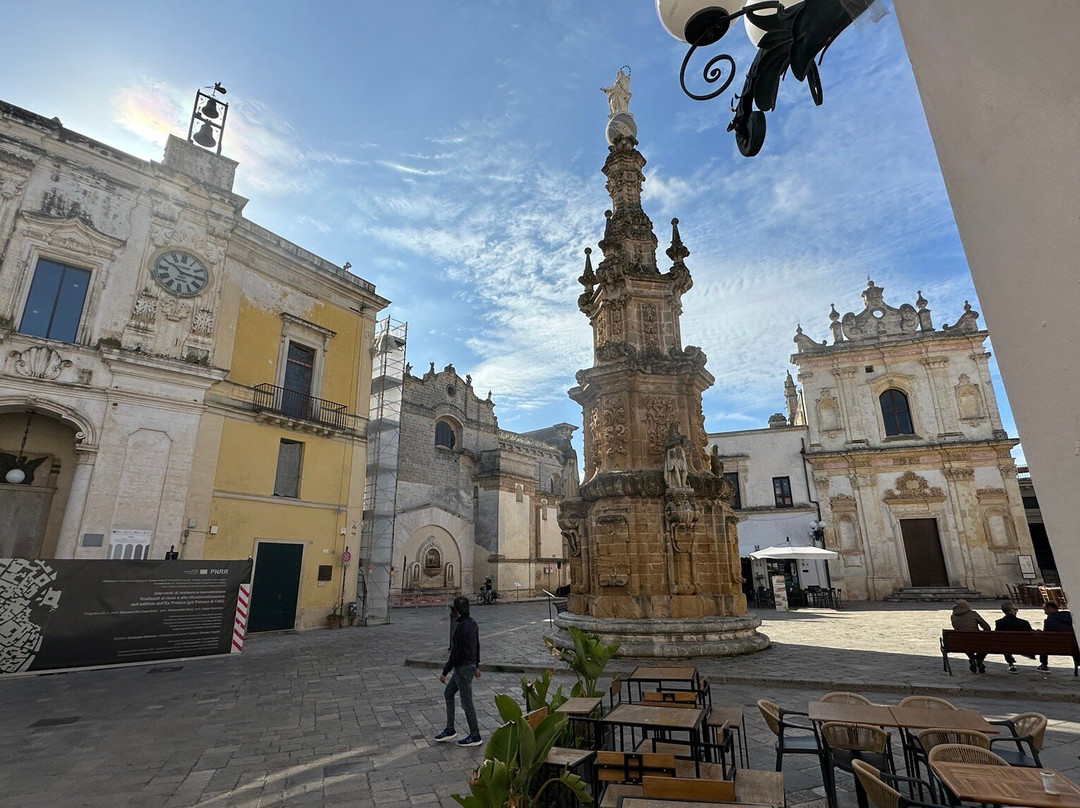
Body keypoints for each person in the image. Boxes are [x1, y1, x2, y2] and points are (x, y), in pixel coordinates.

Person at [434, 595, 483, 746]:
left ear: (456, 610)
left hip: (462, 668)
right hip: (467, 666)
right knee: (448, 693)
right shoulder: (472, 623)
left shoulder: (461, 627)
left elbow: (456, 652)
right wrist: (476, 665)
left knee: (467, 702)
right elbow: (477, 645)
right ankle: (450, 729)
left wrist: (444, 672)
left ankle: (475, 735)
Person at [951, 599, 991, 673]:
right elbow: (986, 627)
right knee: (986, 643)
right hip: (976, 640)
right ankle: (979, 659)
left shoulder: (953, 616)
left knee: (966, 641)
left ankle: (972, 658)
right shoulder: (973, 613)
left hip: (962, 642)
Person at [994, 602, 1033, 673]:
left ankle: (1011, 664)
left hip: (1007, 647)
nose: (1016, 611)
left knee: (1004, 642)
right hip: (1024, 646)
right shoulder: (1024, 623)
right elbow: (1031, 636)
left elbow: (997, 636)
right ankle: (1043, 664)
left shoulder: (999, 622)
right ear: (1011, 610)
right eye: (1016, 609)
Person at [1038, 601, 1077, 672]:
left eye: (1045, 610)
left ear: (1050, 608)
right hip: (1074, 646)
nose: (1045, 612)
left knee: (1043, 642)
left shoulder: (1048, 621)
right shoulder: (1069, 615)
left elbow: (1046, 636)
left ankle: (1044, 664)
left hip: (1058, 646)